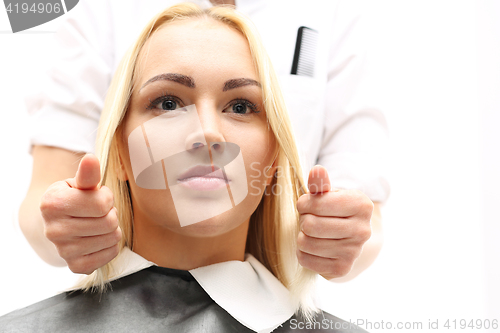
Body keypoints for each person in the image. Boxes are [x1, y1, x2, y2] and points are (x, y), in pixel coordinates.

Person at [1, 4, 368, 332]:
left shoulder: (336, 13)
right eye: (168, 102)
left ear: (274, 158)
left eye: (240, 106)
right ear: (121, 151)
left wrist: (339, 232)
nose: (207, 133)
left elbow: (365, 214)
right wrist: (68, 223)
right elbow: (44, 195)